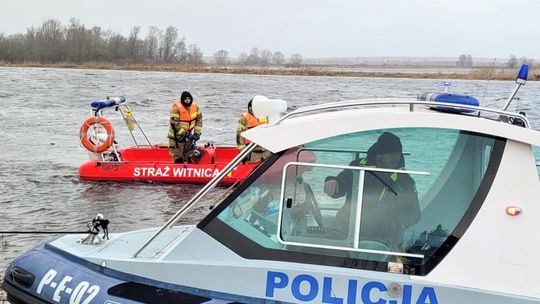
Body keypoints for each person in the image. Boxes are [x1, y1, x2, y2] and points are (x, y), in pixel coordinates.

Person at [324, 132, 420, 250]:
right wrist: (333, 181)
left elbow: (414, 214)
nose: (396, 158)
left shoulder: (404, 179)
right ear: (380, 154)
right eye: (391, 154)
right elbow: (341, 186)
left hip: (382, 237)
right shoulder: (357, 166)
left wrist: (395, 225)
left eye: (398, 154)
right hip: (347, 227)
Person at [168, 91, 203, 163]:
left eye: (189, 99)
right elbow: (175, 124)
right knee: (178, 159)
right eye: (185, 99)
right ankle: (177, 172)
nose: (187, 101)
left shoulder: (196, 107)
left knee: (190, 158)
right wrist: (185, 134)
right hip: (176, 137)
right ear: (182, 99)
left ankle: (189, 172)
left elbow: (199, 121)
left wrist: (197, 133)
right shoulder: (176, 109)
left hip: (189, 137)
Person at [236, 98, 271, 162]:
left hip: (266, 152)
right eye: (251, 107)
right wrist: (243, 153)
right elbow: (239, 137)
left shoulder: (266, 116)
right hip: (253, 153)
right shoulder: (244, 118)